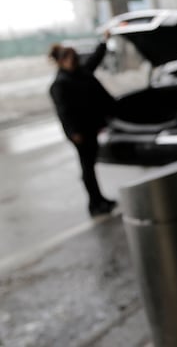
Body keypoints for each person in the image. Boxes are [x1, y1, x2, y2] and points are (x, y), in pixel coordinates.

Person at [48, 33, 117, 217]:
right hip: (80, 132)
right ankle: (94, 203)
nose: (73, 62)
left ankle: (100, 199)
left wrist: (104, 42)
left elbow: (95, 58)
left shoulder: (81, 73)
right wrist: (73, 133)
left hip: (91, 127)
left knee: (90, 165)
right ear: (61, 62)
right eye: (70, 59)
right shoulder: (60, 84)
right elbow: (64, 113)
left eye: (75, 58)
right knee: (87, 168)